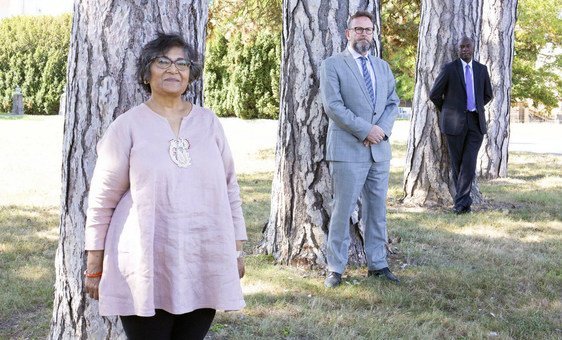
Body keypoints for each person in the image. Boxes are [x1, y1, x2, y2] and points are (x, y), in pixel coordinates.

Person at [83, 33, 247, 339]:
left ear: (190, 74)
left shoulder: (209, 123)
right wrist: (94, 266)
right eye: (163, 61)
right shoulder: (127, 126)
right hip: (145, 262)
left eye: (182, 63)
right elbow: (102, 200)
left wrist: (235, 251)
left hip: (203, 258)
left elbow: (229, 188)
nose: (174, 69)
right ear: (147, 73)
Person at [319, 11, 400, 288]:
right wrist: (366, 130)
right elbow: (333, 106)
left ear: (373, 32)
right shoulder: (333, 65)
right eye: (358, 29)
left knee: (377, 210)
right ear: (348, 33)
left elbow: (392, 103)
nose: (363, 33)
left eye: (367, 29)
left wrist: (381, 131)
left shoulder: (383, 67)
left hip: (379, 151)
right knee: (343, 209)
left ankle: (377, 264)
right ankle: (335, 268)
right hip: (347, 150)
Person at [429, 36, 493, 214]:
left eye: (468, 46)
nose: (465, 49)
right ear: (458, 49)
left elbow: (488, 95)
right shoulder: (450, 69)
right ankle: (463, 205)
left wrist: (476, 107)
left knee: (469, 164)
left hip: (475, 123)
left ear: (473, 48)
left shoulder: (481, 69)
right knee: (457, 164)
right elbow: (434, 94)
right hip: (454, 123)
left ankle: (461, 202)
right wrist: (448, 109)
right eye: (462, 47)